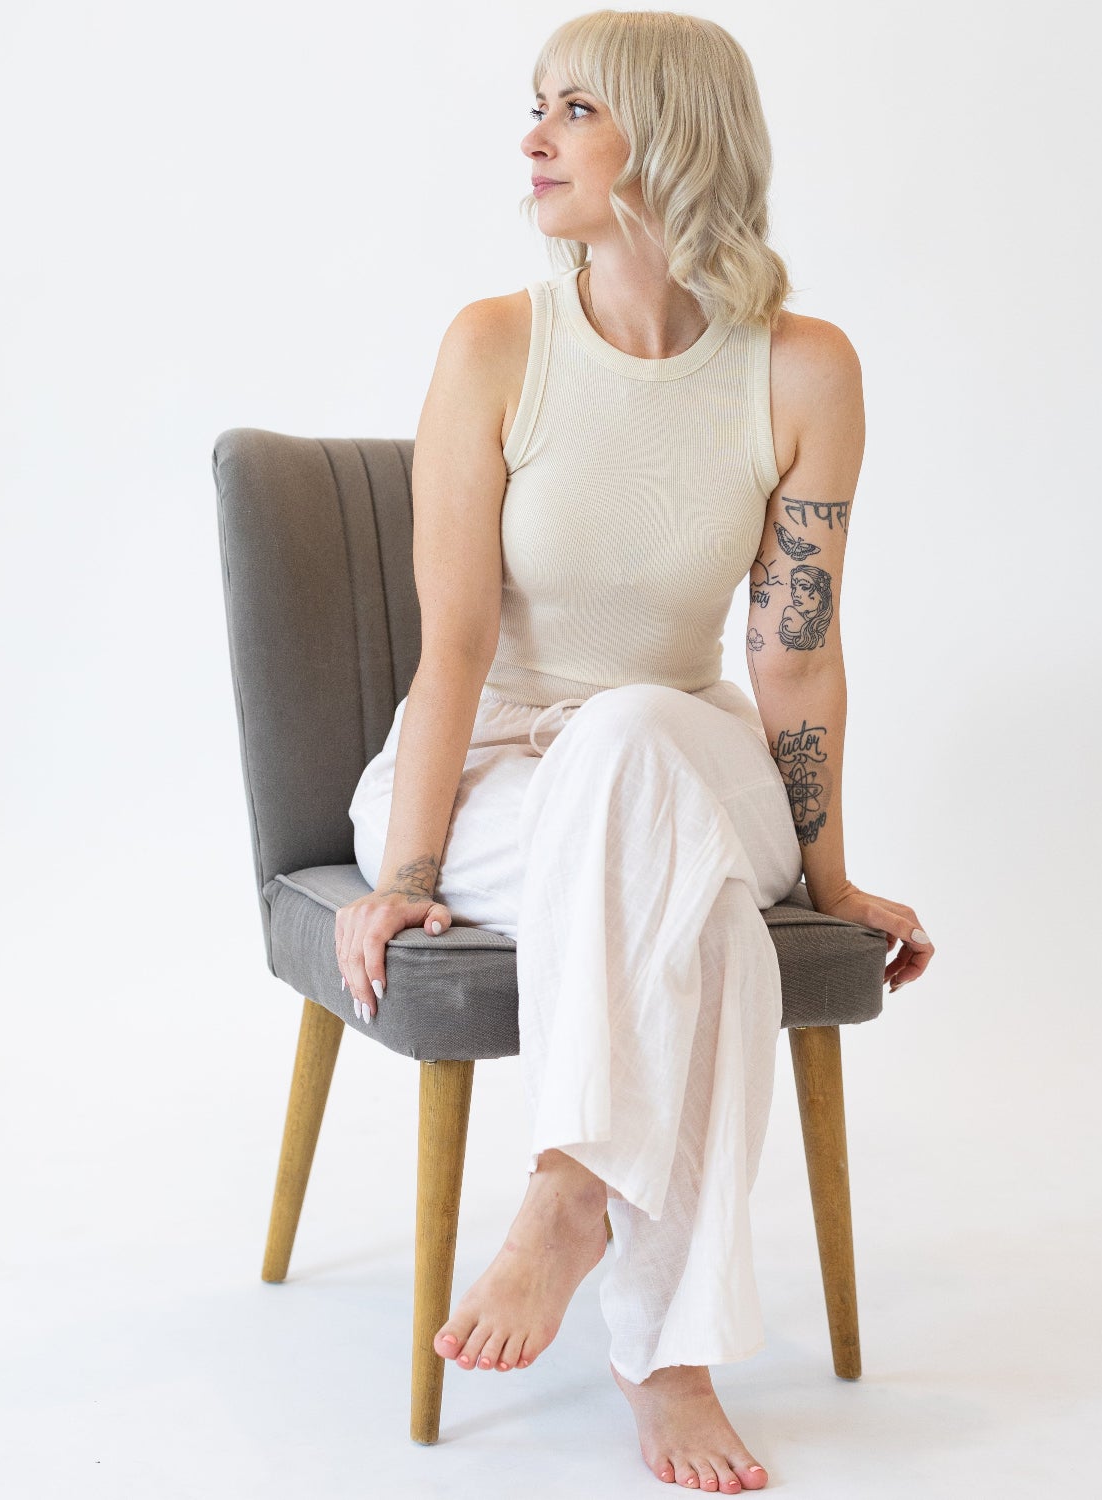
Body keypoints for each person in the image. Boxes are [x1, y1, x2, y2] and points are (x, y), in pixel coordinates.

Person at [335, 10, 934, 1492]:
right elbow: (456, 648)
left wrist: (831, 881)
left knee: (639, 741)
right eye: (535, 106)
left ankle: (571, 1184)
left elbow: (791, 655)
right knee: (706, 932)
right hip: (489, 778)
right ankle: (667, 1358)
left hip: (681, 748)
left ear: (670, 138)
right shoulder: (497, 347)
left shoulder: (802, 369)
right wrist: (404, 876)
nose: (533, 140)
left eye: (575, 110)